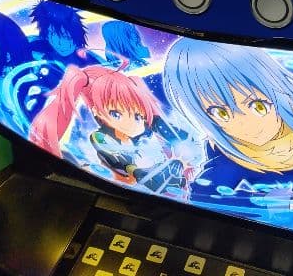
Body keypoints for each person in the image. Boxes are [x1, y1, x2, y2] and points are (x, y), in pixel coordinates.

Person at [162, 39, 293, 199]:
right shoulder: (228, 160)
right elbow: (204, 196)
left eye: (257, 106)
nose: (246, 124)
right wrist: (272, 203)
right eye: (222, 114)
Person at [30, 65, 186, 193]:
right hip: (119, 186)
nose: (132, 124)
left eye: (138, 115)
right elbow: (119, 162)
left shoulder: (150, 125)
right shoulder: (102, 137)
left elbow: (179, 138)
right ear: (97, 112)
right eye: (116, 114)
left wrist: (184, 158)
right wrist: (139, 173)